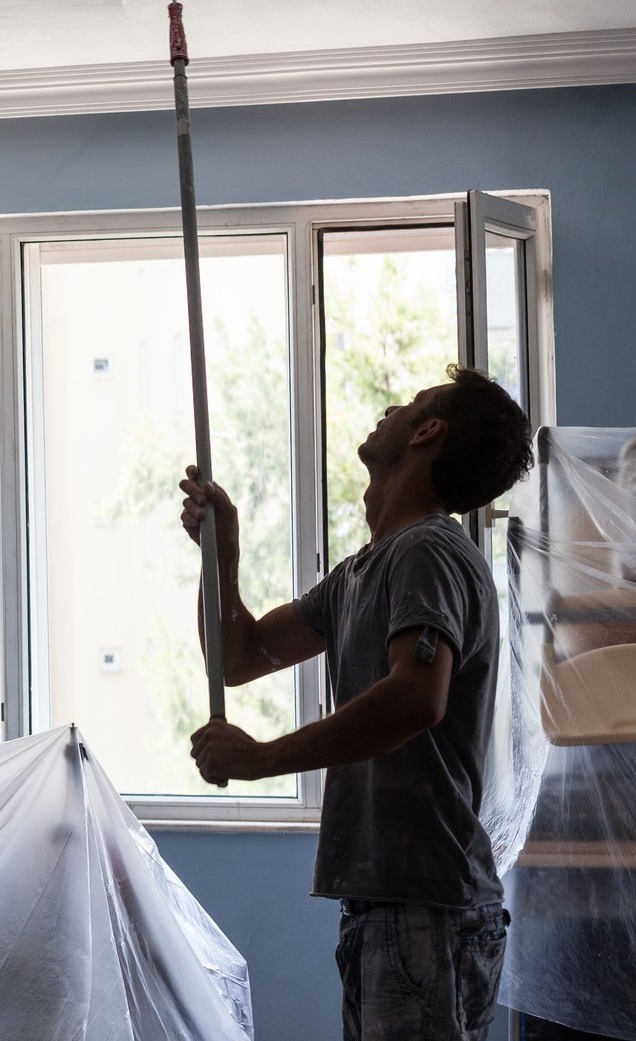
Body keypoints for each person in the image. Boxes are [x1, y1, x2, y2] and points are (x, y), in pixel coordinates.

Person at [179, 365, 533, 1041]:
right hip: (394, 905)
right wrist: (220, 552)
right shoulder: (363, 572)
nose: (395, 407)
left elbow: (414, 699)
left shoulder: (428, 551)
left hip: (424, 905)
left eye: (415, 402)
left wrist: (260, 759)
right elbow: (241, 655)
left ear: (427, 431)